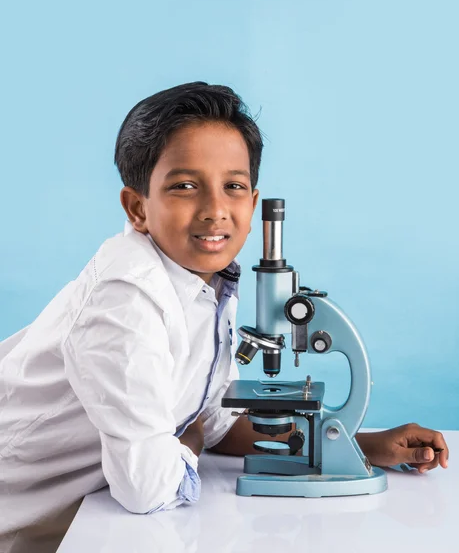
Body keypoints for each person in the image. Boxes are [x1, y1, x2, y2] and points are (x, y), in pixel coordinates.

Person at [0, 82, 449, 550]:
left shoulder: (203, 281)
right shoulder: (125, 302)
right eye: (185, 186)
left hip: (70, 525)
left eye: (233, 186)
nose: (215, 210)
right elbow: (147, 488)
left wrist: (360, 446)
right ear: (138, 208)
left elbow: (215, 421)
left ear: (253, 205)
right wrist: (188, 441)